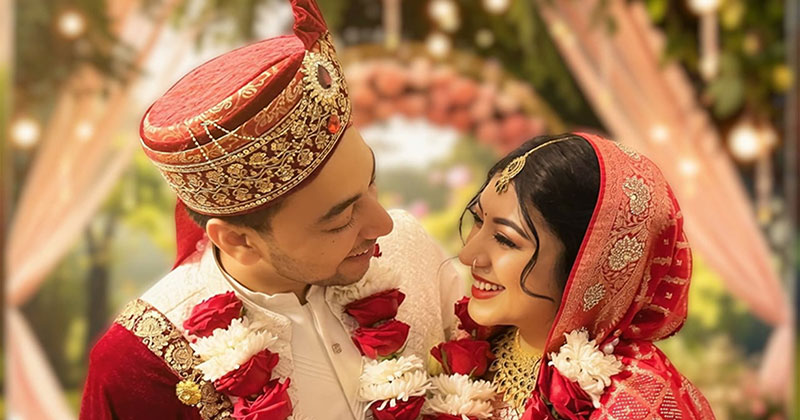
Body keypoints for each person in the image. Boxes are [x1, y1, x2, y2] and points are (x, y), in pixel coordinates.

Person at [79, 1, 462, 418]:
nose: (383, 223)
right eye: (340, 219)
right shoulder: (142, 365)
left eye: (371, 182)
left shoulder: (408, 248)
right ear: (238, 241)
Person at [458, 133, 715, 419]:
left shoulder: (632, 405)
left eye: (505, 239)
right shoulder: (467, 346)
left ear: (588, 263)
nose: (467, 255)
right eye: (478, 219)